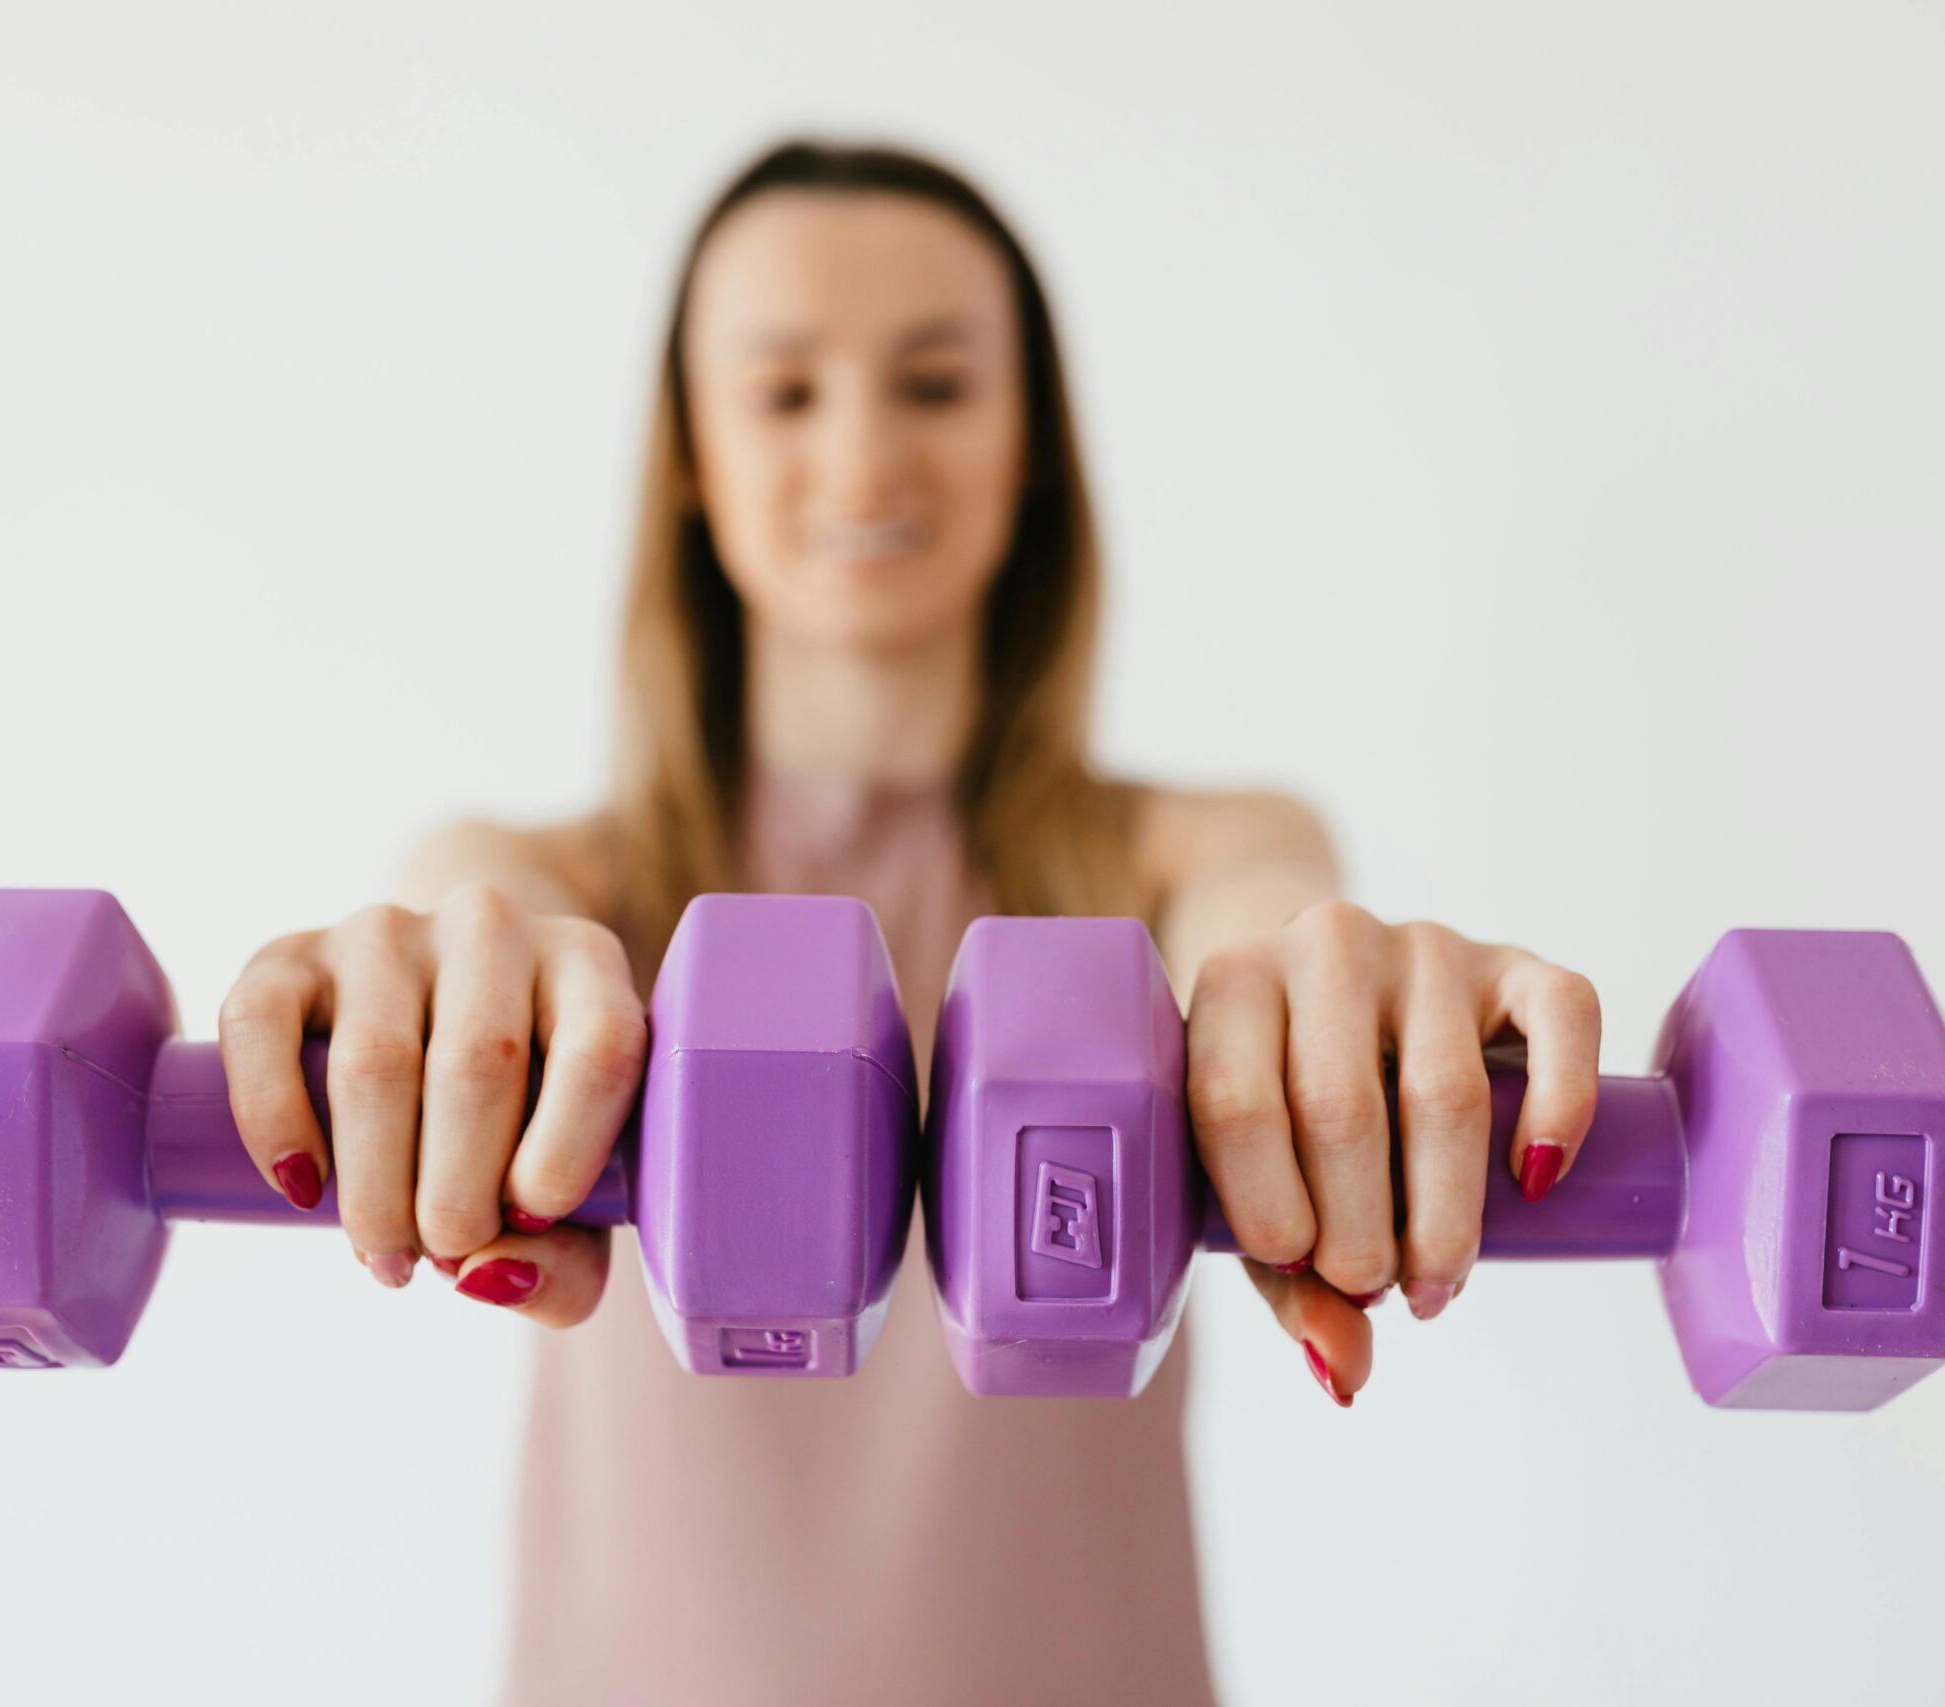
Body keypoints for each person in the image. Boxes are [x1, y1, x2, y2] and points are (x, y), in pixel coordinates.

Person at [217, 138, 1604, 1706]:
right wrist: (445, 987)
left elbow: (1264, 936)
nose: (867, 458)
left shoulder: (1198, 858)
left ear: (1029, 447)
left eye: (937, 386)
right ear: (692, 457)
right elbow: (478, 920)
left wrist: (1319, 1000)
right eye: (787, 392)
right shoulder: (555, 889)